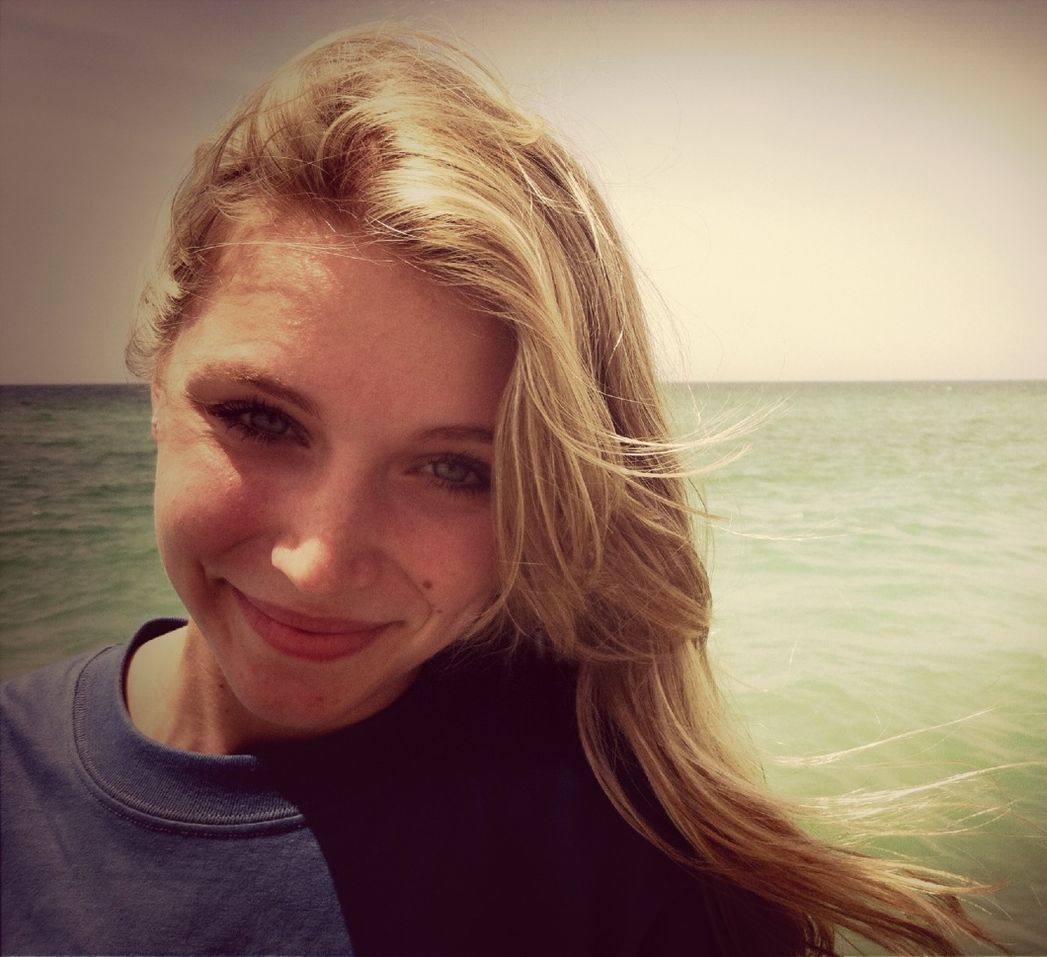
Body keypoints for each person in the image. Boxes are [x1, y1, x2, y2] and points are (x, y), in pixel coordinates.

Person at [0, 24, 994, 957]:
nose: (317, 563)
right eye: (262, 420)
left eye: (453, 469)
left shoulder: (636, 878)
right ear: (157, 363)